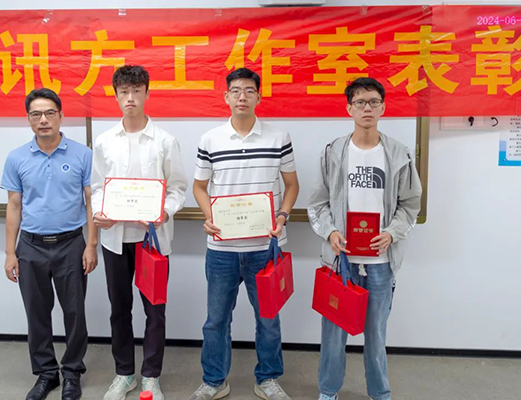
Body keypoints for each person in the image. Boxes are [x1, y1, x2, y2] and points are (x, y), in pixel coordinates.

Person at [307, 77, 422, 400]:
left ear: (383, 108)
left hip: (381, 263)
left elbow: (410, 204)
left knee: (376, 334)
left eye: (373, 102)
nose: (367, 108)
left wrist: (391, 233)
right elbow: (317, 203)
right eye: (360, 102)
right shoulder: (333, 152)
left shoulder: (398, 154)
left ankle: (379, 392)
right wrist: (330, 231)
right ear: (349, 109)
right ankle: (328, 390)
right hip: (340, 261)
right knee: (333, 333)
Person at [188, 68, 299, 400]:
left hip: (266, 247)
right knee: (216, 320)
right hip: (222, 248)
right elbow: (199, 186)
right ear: (226, 96)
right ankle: (214, 380)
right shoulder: (210, 139)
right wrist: (209, 216)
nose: (242, 97)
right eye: (235, 91)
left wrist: (282, 215)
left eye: (249, 91)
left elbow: (292, 185)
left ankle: (267, 379)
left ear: (258, 97)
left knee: (268, 318)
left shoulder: (279, 137)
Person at [91, 65, 188, 400]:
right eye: (123, 92)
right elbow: (97, 187)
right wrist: (100, 211)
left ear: (147, 93)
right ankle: (124, 374)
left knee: (154, 311)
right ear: (116, 95)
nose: (130, 98)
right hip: (114, 240)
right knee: (119, 309)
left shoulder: (164, 141)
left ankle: (150, 376)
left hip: (153, 241)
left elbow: (177, 187)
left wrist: (165, 211)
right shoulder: (104, 141)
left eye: (136, 91)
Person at [1, 88, 98, 400]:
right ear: (29, 119)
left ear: (61, 116)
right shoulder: (17, 158)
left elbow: (91, 202)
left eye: (49, 113)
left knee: (75, 312)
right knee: (37, 313)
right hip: (30, 246)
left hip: (71, 244)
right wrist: (10, 252)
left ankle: (72, 373)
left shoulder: (83, 155)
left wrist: (91, 244)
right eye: (36, 114)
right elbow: (14, 206)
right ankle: (46, 374)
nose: (43, 119)